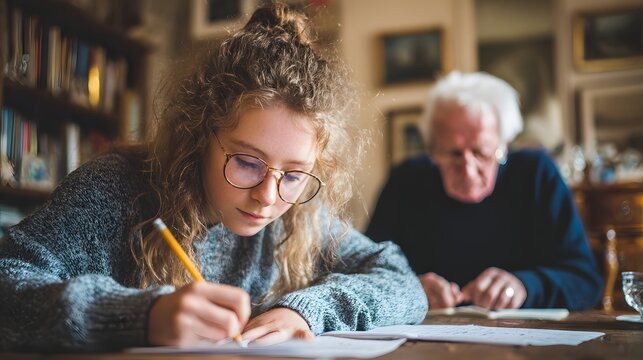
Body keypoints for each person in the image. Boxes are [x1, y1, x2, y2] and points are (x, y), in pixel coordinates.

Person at [0, 3, 427, 352]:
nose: (267, 195)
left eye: (295, 174)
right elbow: (8, 281)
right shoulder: (116, 189)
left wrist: (307, 310)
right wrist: (142, 315)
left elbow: (400, 278)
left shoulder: (299, 214)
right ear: (200, 136)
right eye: (247, 162)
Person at [366, 71, 603, 311]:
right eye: (453, 154)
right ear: (432, 150)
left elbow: (586, 281)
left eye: (481, 152)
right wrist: (407, 289)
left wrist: (525, 286)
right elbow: (365, 269)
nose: (468, 171)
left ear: (503, 145)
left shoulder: (536, 174)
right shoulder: (405, 180)